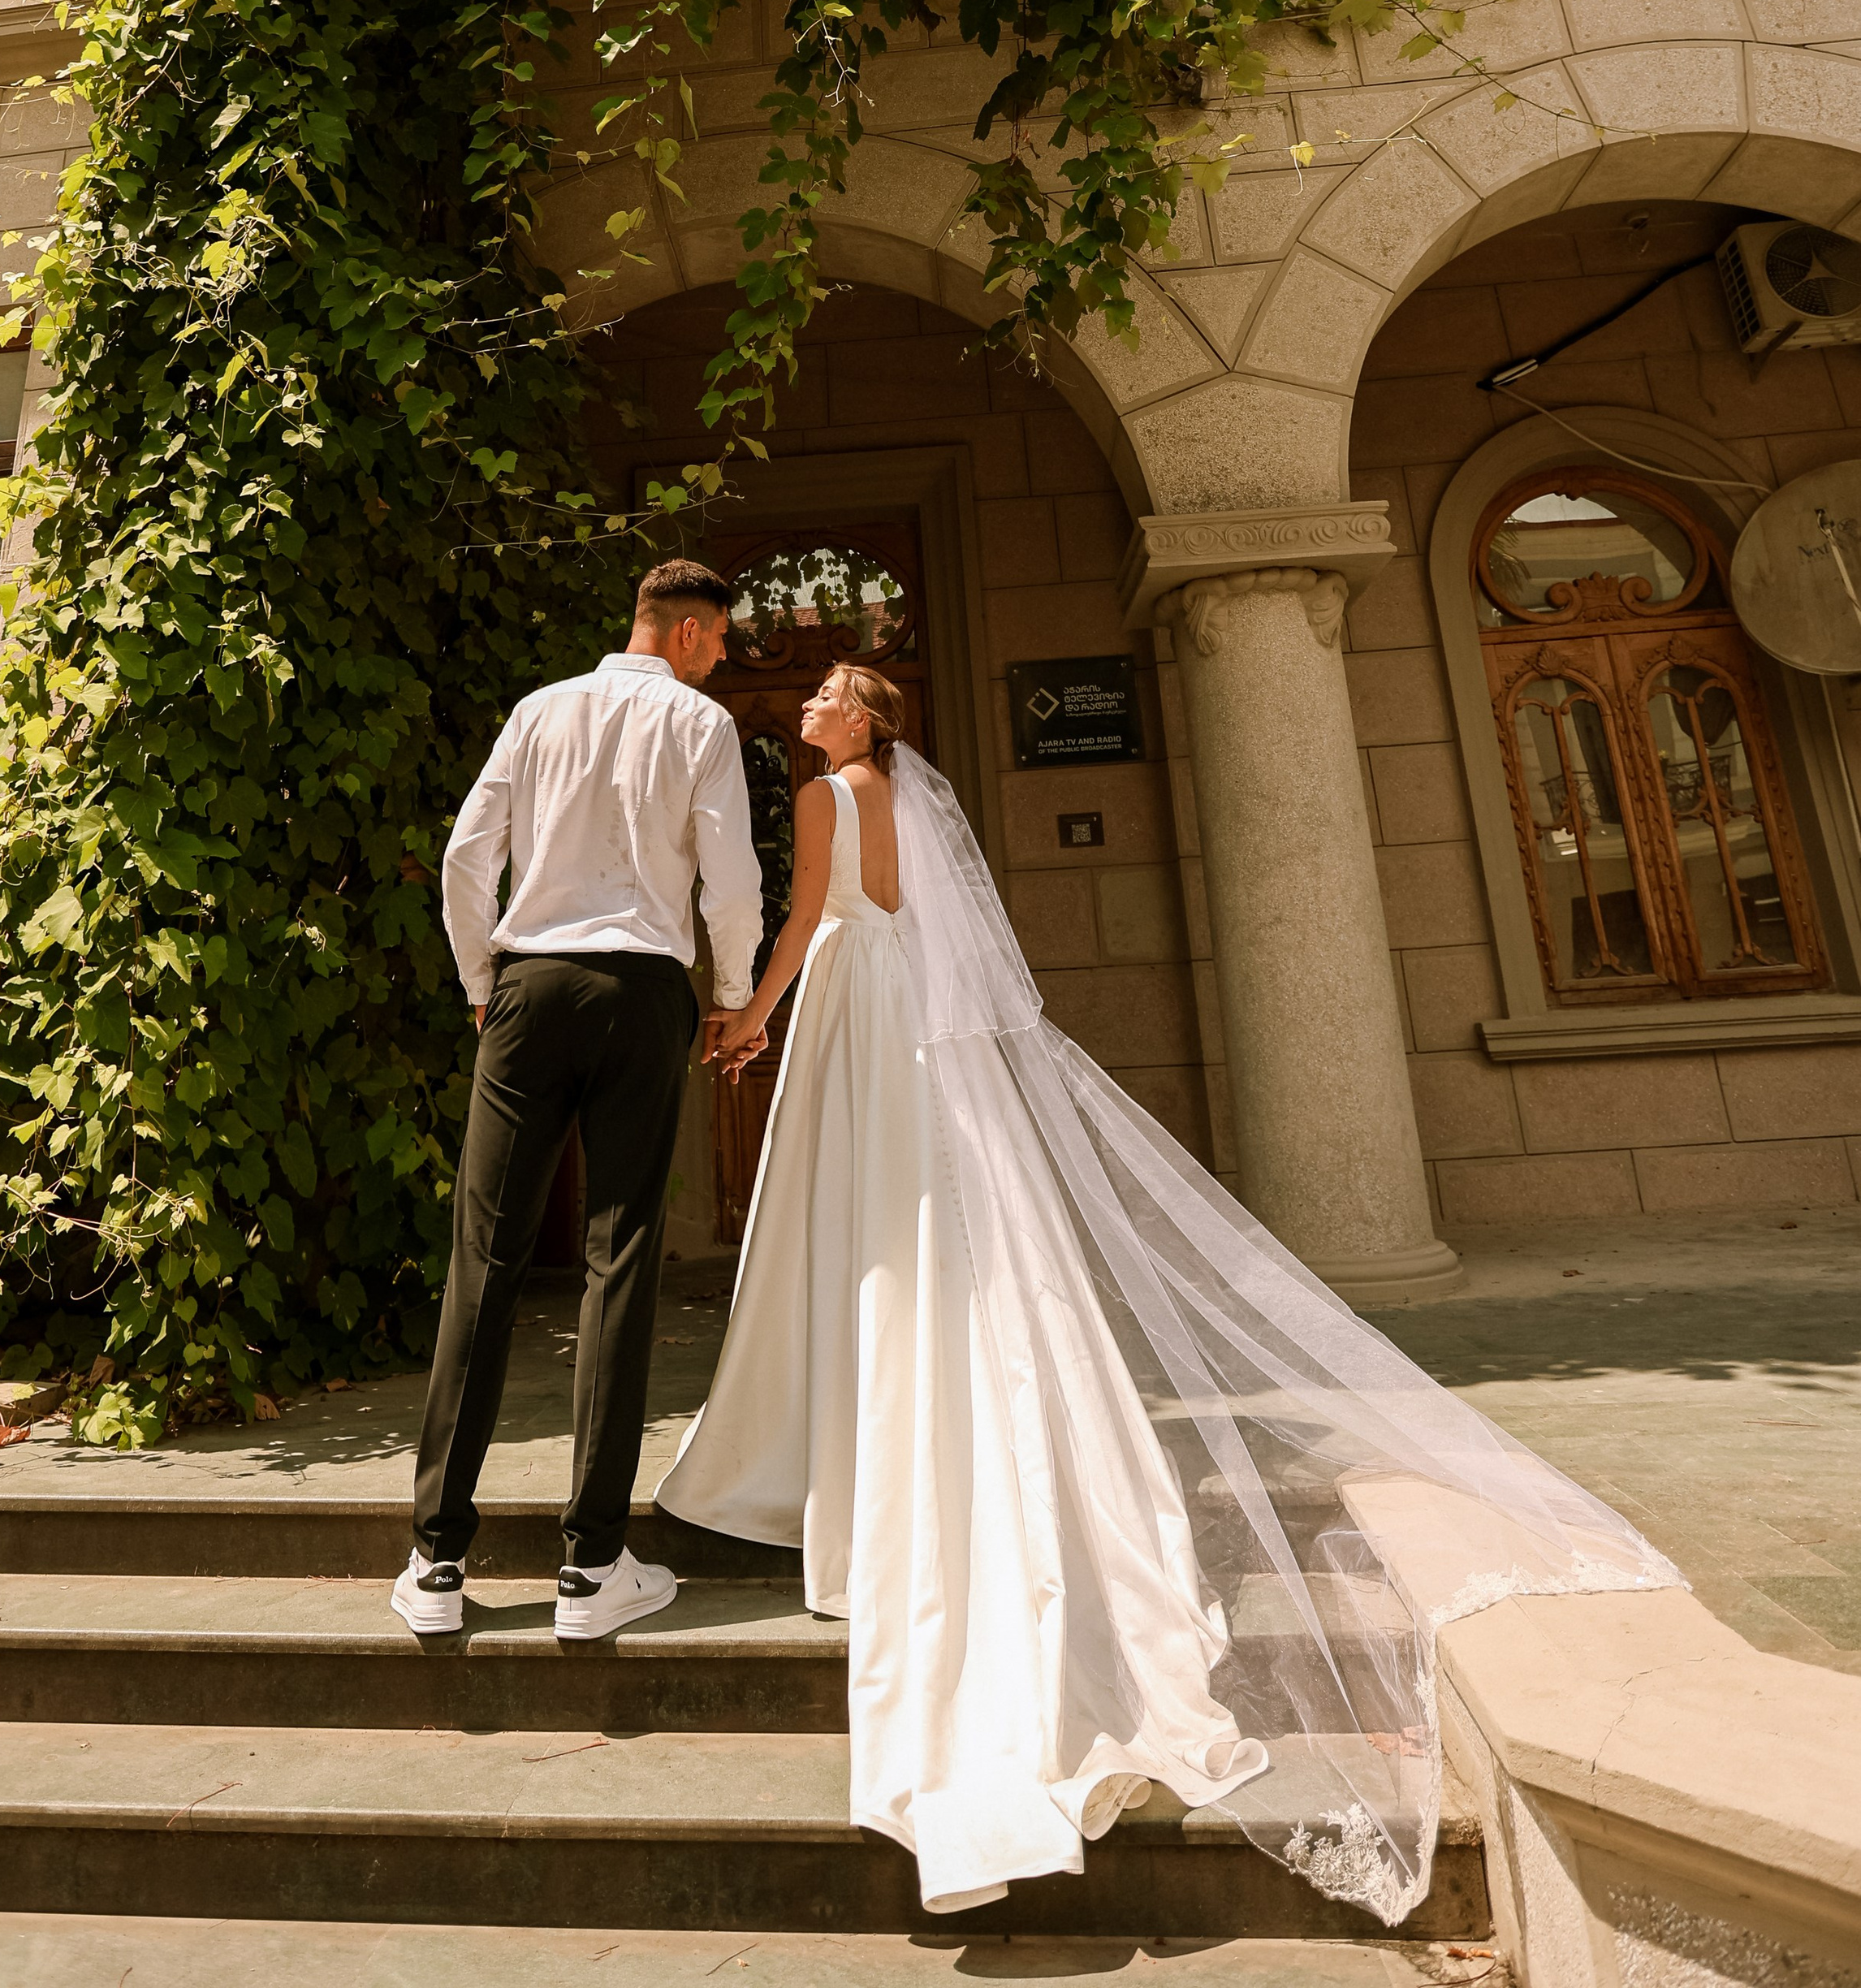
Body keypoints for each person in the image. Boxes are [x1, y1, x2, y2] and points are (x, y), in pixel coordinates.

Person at [659, 662, 1681, 1924]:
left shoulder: (829, 796)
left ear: (865, 717)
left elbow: (810, 924)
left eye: (826, 693)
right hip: (918, 1029)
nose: (807, 706)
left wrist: (750, 1017)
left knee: (860, 1225)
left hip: (856, 1020)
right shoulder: (911, 797)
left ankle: (820, 1438)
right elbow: (928, 931)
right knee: (933, 1225)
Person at [392, 559, 762, 1645]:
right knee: (624, 1253)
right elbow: (729, 880)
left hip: (529, 983)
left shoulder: (539, 709)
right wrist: (734, 998)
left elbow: (470, 859)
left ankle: (435, 1560)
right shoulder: (700, 724)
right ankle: (593, 1568)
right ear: (691, 633)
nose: (725, 659)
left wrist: (478, 986)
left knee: (485, 1258)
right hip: (643, 987)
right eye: (724, 641)